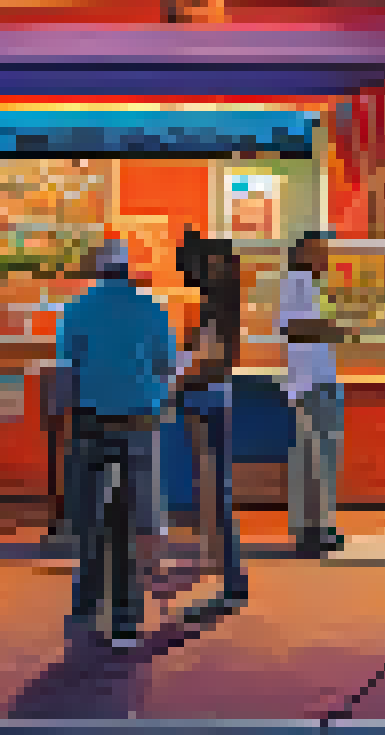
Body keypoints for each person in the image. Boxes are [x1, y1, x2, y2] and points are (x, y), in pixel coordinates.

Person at [57, 239, 173, 649]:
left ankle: (86, 607)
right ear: (128, 270)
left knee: (90, 516)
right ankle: (125, 616)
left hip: (90, 420)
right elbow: (165, 365)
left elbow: (66, 368)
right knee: (127, 518)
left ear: (98, 271)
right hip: (139, 420)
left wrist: (62, 418)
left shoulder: (75, 310)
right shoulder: (152, 309)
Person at [175, 238, 246, 605]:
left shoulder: (211, 309)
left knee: (215, 491)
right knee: (214, 490)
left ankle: (231, 576)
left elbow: (207, 360)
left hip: (205, 400)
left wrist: (174, 381)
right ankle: (224, 569)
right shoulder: (224, 307)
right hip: (215, 398)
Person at [280, 232, 345, 558]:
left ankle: (321, 526)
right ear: (303, 251)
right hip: (310, 383)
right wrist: (335, 330)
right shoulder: (297, 281)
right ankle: (312, 529)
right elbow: (292, 327)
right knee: (314, 459)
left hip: (318, 381)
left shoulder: (311, 284)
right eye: (321, 250)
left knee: (321, 459)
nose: (326, 257)